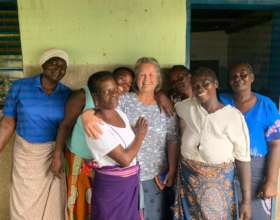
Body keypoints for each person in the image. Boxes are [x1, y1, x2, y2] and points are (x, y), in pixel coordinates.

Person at [83, 57, 179, 220]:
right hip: (123, 178)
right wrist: (86, 115)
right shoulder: (124, 100)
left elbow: (172, 139)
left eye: (151, 75)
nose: (146, 79)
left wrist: (172, 169)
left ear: (158, 79)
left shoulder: (166, 106)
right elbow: (102, 107)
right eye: (142, 75)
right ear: (136, 79)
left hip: (154, 176)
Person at [0, 49, 71, 220]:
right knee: (23, 202)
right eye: (54, 62)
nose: (58, 68)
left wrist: (58, 155)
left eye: (63, 66)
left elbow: (66, 126)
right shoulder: (21, 87)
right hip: (25, 154)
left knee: (53, 202)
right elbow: (8, 123)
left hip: (54, 153)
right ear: (43, 64)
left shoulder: (67, 94)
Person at [173, 67, 252, 220]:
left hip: (220, 187)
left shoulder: (233, 117)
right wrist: (162, 96)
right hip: (188, 184)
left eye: (206, 83)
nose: (200, 88)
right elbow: (171, 107)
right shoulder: (186, 107)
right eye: (195, 86)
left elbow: (243, 160)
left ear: (216, 84)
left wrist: (246, 201)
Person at [220, 63, 280, 220]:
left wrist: (271, 181)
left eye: (243, 75)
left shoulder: (266, 105)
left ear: (252, 77)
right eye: (233, 76)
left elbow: (276, 145)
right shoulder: (221, 101)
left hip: (256, 170)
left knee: (255, 215)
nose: (238, 79)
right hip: (225, 168)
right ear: (229, 81)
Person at [82, 71, 148, 220]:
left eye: (115, 89)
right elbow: (124, 160)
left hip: (129, 185)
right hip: (112, 189)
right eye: (107, 91)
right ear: (95, 98)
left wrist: (135, 132)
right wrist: (140, 135)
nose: (114, 94)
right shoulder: (95, 126)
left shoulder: (119, 112)